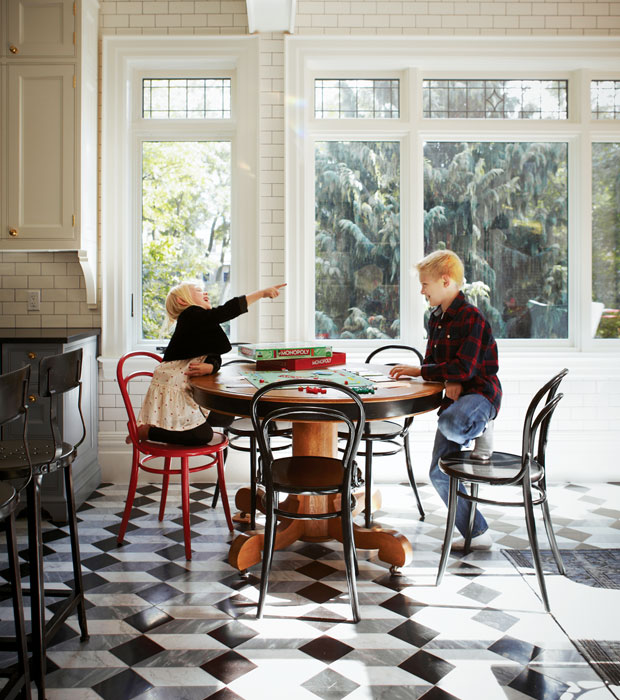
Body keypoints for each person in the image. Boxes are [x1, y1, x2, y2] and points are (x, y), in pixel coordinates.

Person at [389, 250, 501, 550]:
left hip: (479, 395)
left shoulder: (472, 317)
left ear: (446, 281)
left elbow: (466, 369)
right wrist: (447, 378)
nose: (422, 290)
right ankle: (477, 533)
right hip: (457, 398)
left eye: (425, 284)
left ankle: (482, 427)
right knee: (438, 472)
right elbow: (435, 363)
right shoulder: (436, 319)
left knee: (451, 422)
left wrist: (447, 376)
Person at [133, 281, 286, 446]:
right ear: (182, 301)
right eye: (198, 290)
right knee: (204, 435)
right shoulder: (190, 315)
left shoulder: (202, 324)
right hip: (175, 385)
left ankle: (188, 425)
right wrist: (261, 293)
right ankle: (148, 431)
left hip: (187, 384)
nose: (204, 292)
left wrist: (211, 366)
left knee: (225, 416)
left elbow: (214, 352)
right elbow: (224, 311)